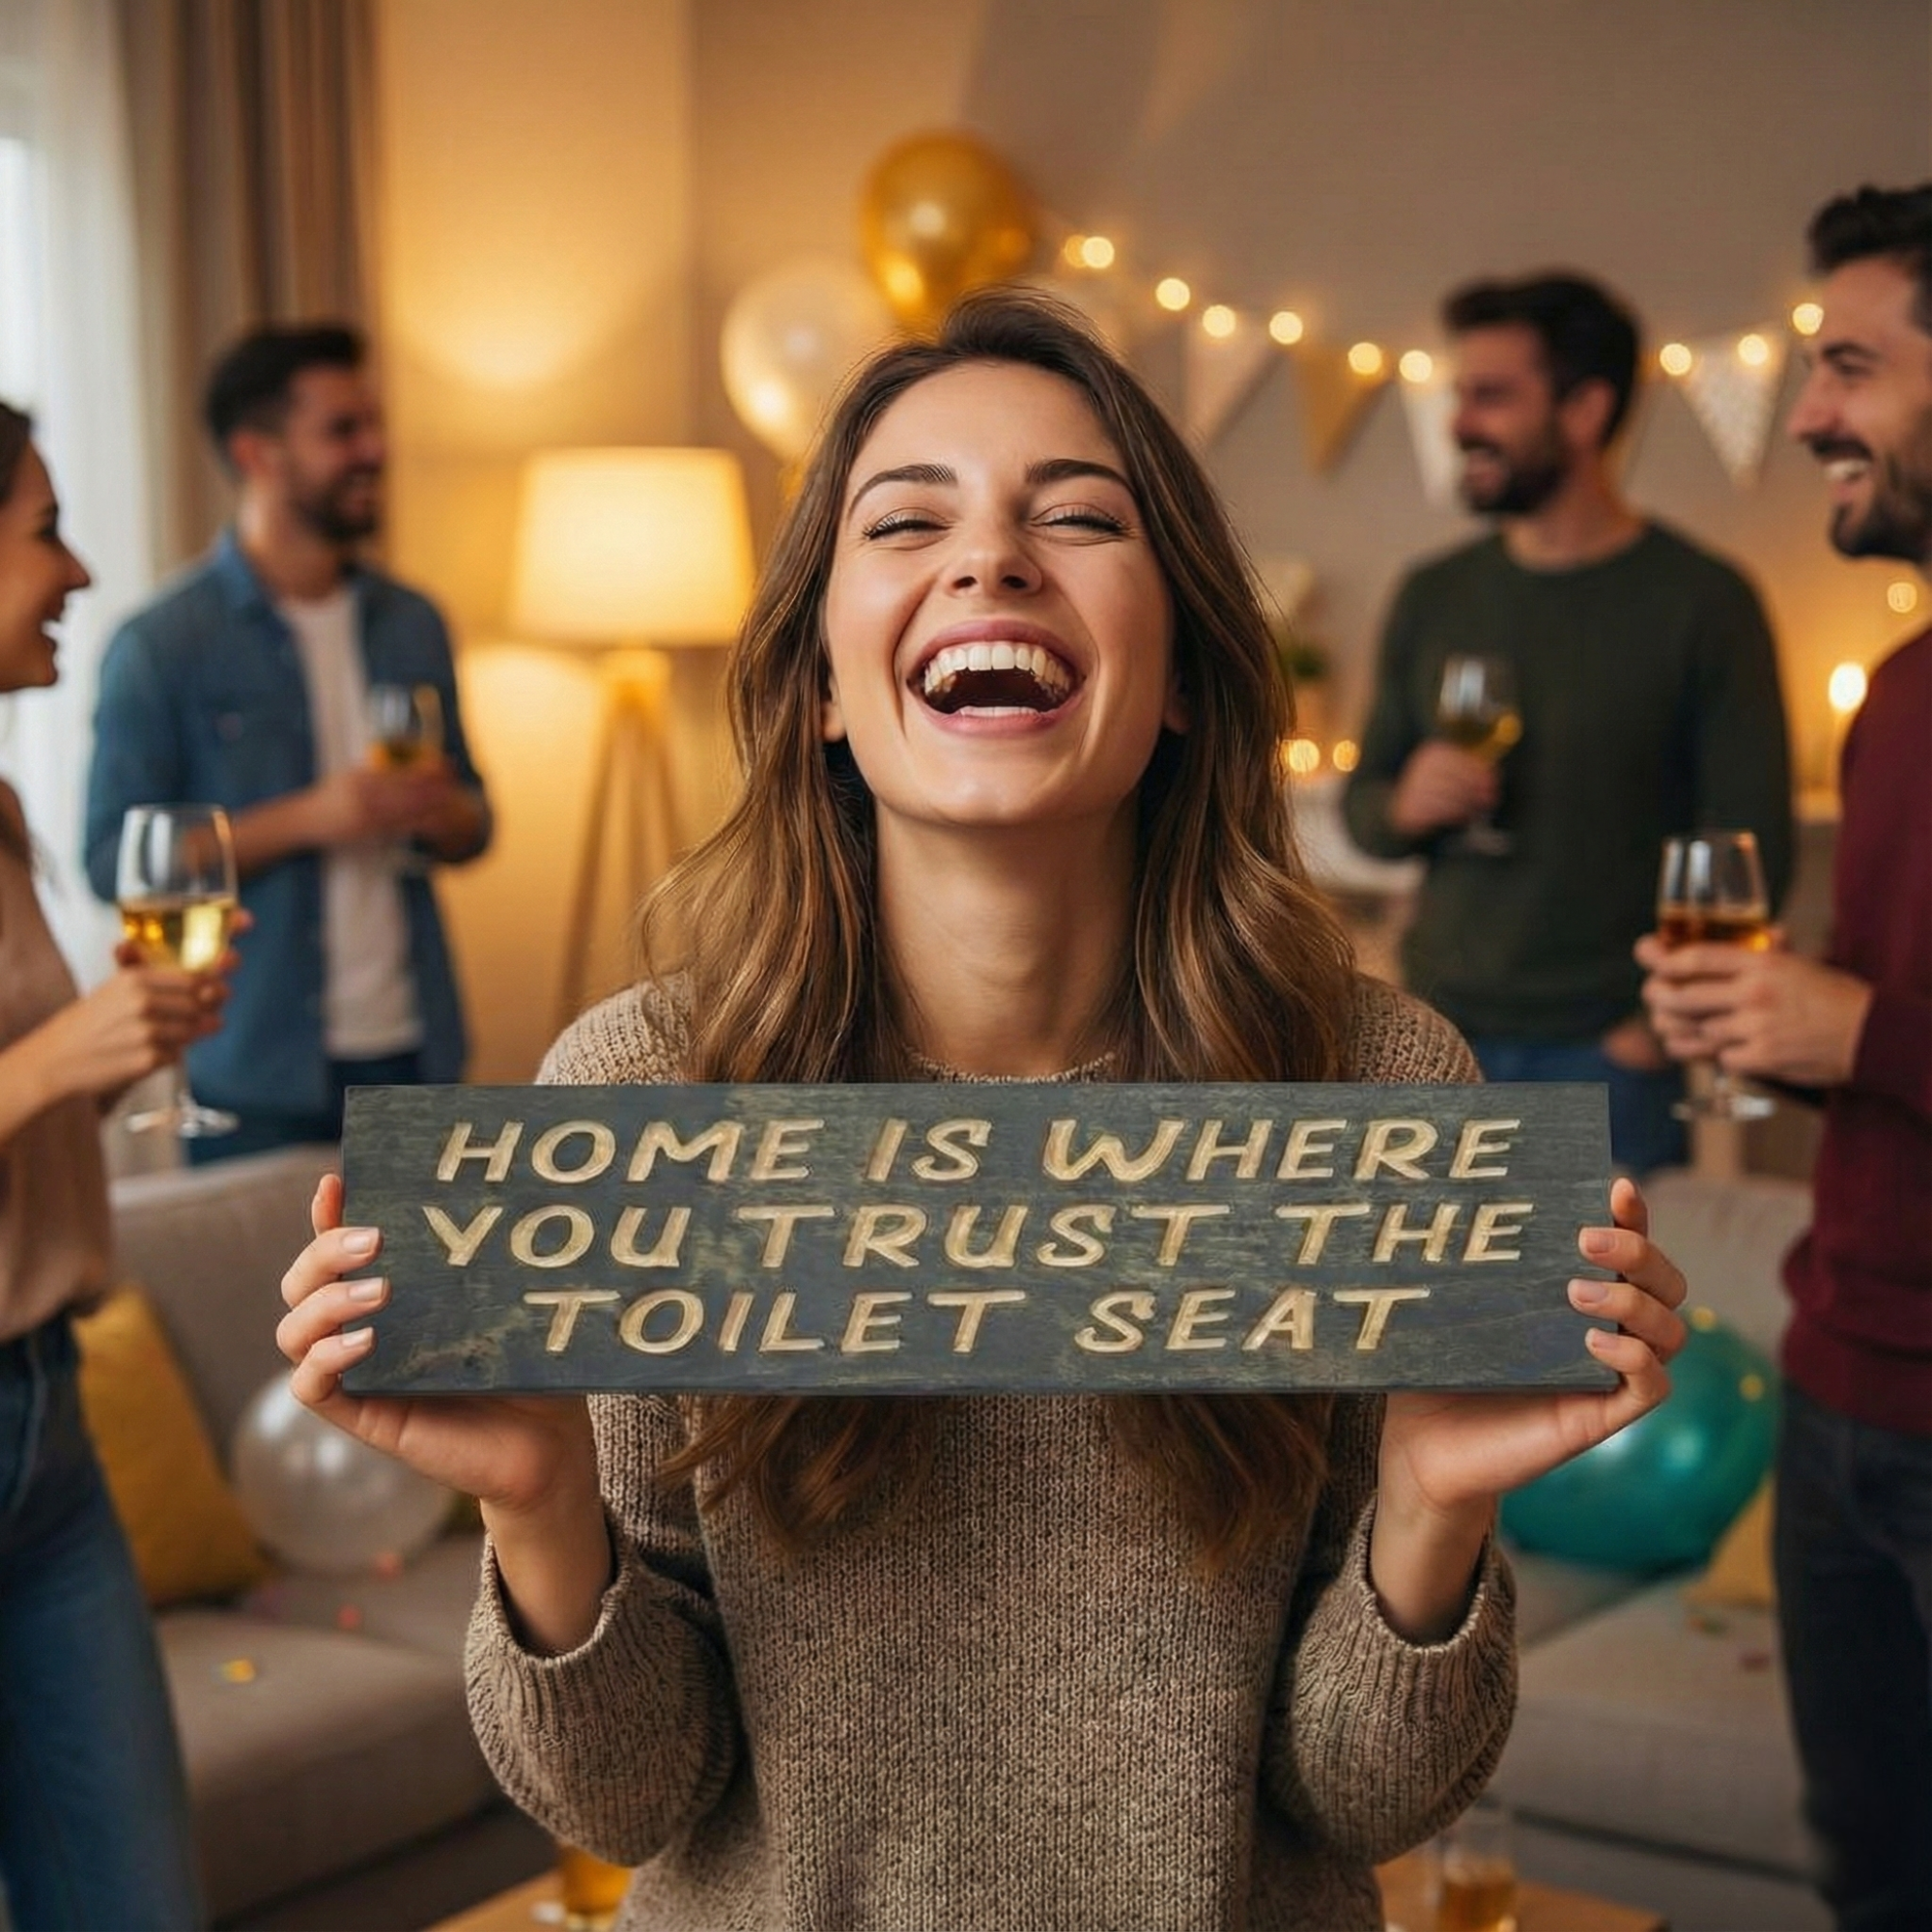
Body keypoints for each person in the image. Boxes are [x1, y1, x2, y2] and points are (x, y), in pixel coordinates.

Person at [277, 293, 1688, 1931]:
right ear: (818, 682)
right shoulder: (642, 1092)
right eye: (910, 520)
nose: (992, 561)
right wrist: (538, 1500)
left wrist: (1432, 1510)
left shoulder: (1381, 1090)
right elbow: (633, 1802)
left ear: (1178, 680)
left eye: (1078, 517)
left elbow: (1353, 1805)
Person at [1640, 185, 1932, 1931]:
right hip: (1840, 1399)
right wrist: (1798, 1033)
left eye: (1850, 366)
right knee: (1874, 1888)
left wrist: (1863, 1029)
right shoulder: (1898, 699)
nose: (1810, 413)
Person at [1343, 272, 1795, 1178]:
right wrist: (1407, 802)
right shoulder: (1434, 594)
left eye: (1492, 395)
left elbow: (1751, 852)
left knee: (1589, 1318)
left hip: (1608, 1057)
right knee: (1431, 1312)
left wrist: (1647, 1035)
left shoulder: (1704, 601)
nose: (1461, 422)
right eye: (1459, 394)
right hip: (1433, 1037)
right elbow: (1361, 809)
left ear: (1586, 409)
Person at [0, 403, 228, 1928]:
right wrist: (52, 1063)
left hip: (45, 1426)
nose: (76, 566)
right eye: (39, 530)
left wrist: (114, 1058)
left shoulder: (3, 810)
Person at [82, 323, 492, 1162]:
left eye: (373, 425)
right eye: (343, 430)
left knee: (426, 1297)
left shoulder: (414, 622)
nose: (375, 450)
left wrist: (442, 812)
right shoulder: (161, 644)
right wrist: (315, 816)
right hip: (256, 1069)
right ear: (258, 453)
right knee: (268, 1297)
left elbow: (477, 822)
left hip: (417, 1053)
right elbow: (110, 857)